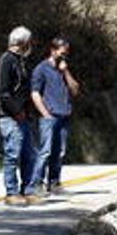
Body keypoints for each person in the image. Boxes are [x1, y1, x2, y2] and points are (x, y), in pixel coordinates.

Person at [0, 26, 42, 206]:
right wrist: (16, 112)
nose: (31, 45)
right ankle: (11, 192)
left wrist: (28, 113)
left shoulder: (21, 61)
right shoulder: (6, 60)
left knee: (29, 155)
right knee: (12, 155)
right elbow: (3, 92)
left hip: (25, 117)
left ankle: (28, 191)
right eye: (29, 42)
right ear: (22, 42)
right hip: (11, 118)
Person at [31, 37, 80, 194]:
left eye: (66, 54)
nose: (64, 57)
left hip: (64, 116)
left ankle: (54, 183)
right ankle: (37, 183)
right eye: (61, 53)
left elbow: (75, 90)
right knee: (45, 151)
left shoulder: (64, 70)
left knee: (59, 152)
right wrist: (45, 113)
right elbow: (35, 93)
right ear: (52, 51)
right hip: (49, 116)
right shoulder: (41, 69)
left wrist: (65, 71)